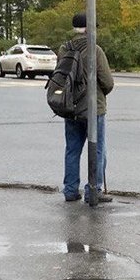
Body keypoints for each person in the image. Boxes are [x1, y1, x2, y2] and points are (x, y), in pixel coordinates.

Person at [59, 12, 114, 204]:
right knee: (98, 150)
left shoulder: (65, 48)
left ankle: (70, 190)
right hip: (93, 109)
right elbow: (107, 81)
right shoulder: (95, 50)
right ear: (89, 28)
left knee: (72, 150)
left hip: (70, 108)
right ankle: (94, 191)